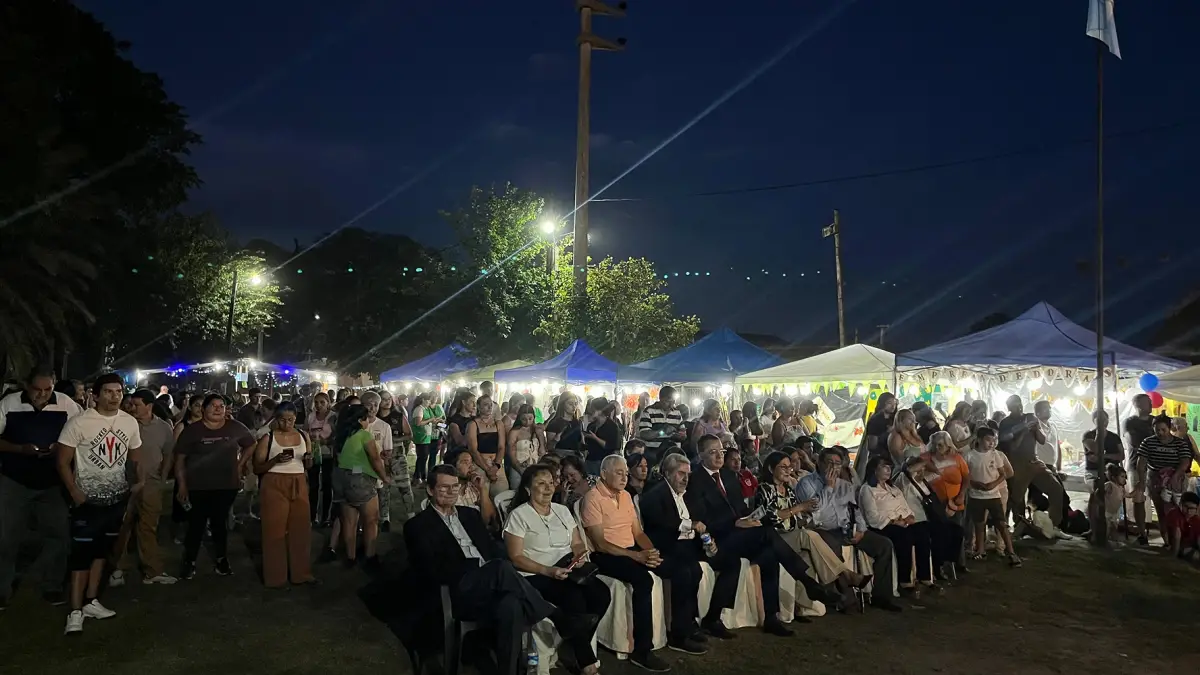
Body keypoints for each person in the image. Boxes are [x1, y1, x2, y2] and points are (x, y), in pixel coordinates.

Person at [407, 464, 592, 675]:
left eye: (455, 486)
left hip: (494, 583)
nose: (451, 492)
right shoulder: (417, 525)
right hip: (460, 589)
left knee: (511, 604)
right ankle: (557, 617)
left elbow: (492, 544)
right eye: (443, 487)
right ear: (430, 490)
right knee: (499, 567)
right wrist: (484, 569)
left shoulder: (469, 515)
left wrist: (483, 492)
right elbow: (429, 569)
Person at [687, 435, 837, 631]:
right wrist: (736, 522)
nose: (719, 456)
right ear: (701, 455)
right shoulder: (695, 480)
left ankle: (770, 617)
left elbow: (740, 508)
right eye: (713, 452)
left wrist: (749, 518)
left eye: (721, 451)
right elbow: (700, 517)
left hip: (738, 534)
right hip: (715, 538)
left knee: (769, 554)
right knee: (767, 535)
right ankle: (808, 583)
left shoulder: (729, 476)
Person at [581, 455, 705, 672]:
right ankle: (642, 649)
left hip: (631, 550)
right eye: (619, 473)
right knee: (643, 581)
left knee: (683, 569)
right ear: (603, 474)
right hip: (607, 555)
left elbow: (638, 532)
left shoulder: (627, 496)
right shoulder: (592, 499)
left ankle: (680, 632)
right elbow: (600, 544)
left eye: (625, 473)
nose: (624, 477)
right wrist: (637, 557)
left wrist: (650, 551)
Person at [55, 373, 143, 634]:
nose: (115, 397)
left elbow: (134, 456)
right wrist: (74, 490)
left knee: (101, 552)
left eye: (119, 392)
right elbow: (61, 461)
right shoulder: (79, 422)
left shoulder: (129, 422)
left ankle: (91, 600)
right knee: (81, 556)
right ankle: (74, 610)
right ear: (96, 394)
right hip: (87, 501)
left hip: (116, 500)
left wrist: (136, 481)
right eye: (108, 392)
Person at [504, 464, 609, 675]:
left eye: (551, 483)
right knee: (574, 597)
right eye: (541, 484)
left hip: (566, 568)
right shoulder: (519, 515)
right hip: (535, 573)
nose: (548, 488)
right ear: (527, 489)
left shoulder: (561, 511)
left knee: (601, 593)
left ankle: (577, 641)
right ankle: (587, 663)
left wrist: (579, 556)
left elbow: (578, 543)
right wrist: (548, 570)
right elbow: (516, 558)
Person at [0, 367, 83, 610]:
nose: (43, 395)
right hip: (14, 480)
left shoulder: (66, 404)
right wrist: (20, 449)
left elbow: (80, 433)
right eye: (38, 390)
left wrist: (61, 447)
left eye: (48, 390)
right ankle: (2, 589)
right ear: (27, 386)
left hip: (52, 482)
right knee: (6, 537)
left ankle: (52, 585)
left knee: (58, 535)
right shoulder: (9, 403)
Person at [754, 450, 870, 610]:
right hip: (773, 537)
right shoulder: (764, 489)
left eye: (789, 467)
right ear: (770, 469)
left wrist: (804, 518)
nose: (789, 470)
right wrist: (801, 507)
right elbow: (771, 518)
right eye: (783, 467)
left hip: (794, 533)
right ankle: (846, 575)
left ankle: (804, 607)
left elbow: (802, 515)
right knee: (812, 536)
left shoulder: (788, 489)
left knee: (807, 553)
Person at [794, 447, 901, 611]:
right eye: (829, 462)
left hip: (848, 528)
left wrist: (861, 530)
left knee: (884, 545)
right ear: (819, 463)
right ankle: (846, 598)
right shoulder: (806, 483)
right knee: (831, 545)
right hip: (822, 529)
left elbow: (855, 510)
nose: (834, 467)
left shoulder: (845, 485)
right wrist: (828, 488)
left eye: (837, 463)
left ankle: (882, 596)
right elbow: (816, 513)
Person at [175, 394, 256, 580]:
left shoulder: (234, 427)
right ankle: (190, 562)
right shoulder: (192, 431)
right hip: (198, 486)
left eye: (222, 405)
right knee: (196, 525)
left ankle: (221, 560)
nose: (218, 409)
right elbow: (179, 460)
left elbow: (250, 444)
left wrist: (239, 464)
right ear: (203, 409)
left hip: (226, 485)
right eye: (213, 405)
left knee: (220, 524)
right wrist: (182, 485)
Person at [110, 389, 178, 586]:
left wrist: (163, 477)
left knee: (148, 526)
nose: (132, 408)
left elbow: (168, 454)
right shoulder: (123, 423)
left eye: (136, 405)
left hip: (151, 484)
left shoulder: (164, 427)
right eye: (130, 404)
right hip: (125, 483)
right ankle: (117, 569)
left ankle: (152, 570)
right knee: (123, 527)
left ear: (149, 406)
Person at [252, 401, 316, 588]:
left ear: (296, 418)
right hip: (274, 483)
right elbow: (257, 468)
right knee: (274, 530)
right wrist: (275, 460)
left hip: (298, 482)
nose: (287, 423)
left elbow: (308, 465)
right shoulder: (268, 438)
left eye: (290, 419)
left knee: (301, 529)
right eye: (282, 420)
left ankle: (301, 573)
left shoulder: (304, 436)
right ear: (276, 419)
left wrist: (309, 460)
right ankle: (276, 577)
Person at [859, 457, 934, 595]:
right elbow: (872, 516)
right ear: (874, 470)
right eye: (884, 467)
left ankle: (924, 576)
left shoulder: (893, 488)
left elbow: (905, 507)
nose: (888, 470)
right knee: (904, 537)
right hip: (882, 526)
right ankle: (904, 580)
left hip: (902, 522)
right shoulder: (868, 490)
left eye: (889, 467)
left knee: (922, 531)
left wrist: (909, 517)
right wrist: (893, 521)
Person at [333, 404, 389, 570]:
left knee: (349, 521)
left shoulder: (341, 436)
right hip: (360, 480)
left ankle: (350, 557)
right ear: (360, 420)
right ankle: (370, 556)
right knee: (371, 520)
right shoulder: (364, 435)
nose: (368, 421)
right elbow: (375, 459)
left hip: (340, 478)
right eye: (366, 418)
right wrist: (384, 477)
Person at [997, 396, 1062, 527]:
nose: (1019, 407)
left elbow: (1042, 440)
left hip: (1034, 460)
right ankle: (1018, 526)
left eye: (1020, 404)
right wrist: (1024, 429)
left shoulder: (1031, 417)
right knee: (1017, 498)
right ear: (1009, 408)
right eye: (1015, 405)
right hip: (1016, 463)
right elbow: (1011, 446)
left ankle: (1052, 525)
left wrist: (1036, 429)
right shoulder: (1006, 423)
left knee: (1056, 489)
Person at [1132, 413, 1193, 546]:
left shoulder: (1180, 443)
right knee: (1160, 510)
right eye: (1157, 430)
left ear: (1169, 428)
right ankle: (1167, 540)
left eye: (1163, 430)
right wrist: (1141, 481)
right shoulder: (1148, 442)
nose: (1160, 433)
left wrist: (1176, 476)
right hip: (1155, 478)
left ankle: (1179, 540)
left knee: (1176, 510)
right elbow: (1141, 462)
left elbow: (1185, 461)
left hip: (1175, 480)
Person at [964, 426, 1020, 566]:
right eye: (988, 440)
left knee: (1001, 523)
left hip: (993, 495)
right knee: (979, 524)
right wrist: (974, 483)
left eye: (994, 440)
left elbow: (1003, 474)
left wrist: (993, 484)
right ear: (979, 440)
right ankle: (980, 550)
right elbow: (965, 475)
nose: (992, 443)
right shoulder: (969, 456)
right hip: (976, 495)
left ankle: (1011, 552)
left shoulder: (996, 455)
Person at [920, 431, 969, 578]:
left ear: (948, 445)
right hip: (934, 505)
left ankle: (958, 562)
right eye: (935, 444)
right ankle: (939, 565)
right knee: (940, 535)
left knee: (957, 531)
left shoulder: (957, 458)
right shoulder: (926, 458)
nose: (937, 447)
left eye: (940, 445)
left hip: (955, 502)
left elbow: (966, 477)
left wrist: (961, 495)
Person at [1123, 393, 1155, 543]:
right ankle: (1142, 534)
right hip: (1136, 465)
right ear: (1138, 405)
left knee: (1161, 498)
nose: (1151, 404)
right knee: (1139, 498)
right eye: (1147, 402)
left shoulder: (1155, 420)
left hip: (1156, 465)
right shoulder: (1130, 422)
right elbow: (1133, 441)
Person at [467, 394, 508, 494]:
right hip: (480, 464)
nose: (489, 407)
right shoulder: (473, 424)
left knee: (502, 493)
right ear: (479, 407)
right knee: (481, 495)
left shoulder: (499, 423)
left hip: (496, 463)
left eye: (491, 404)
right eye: (486, 404)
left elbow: (501, 447)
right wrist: (487, 469)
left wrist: (496, 466)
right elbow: (473, 450)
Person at [637, 386, 686, 466]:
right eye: (668, 401)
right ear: (661, 399)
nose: (671, 404)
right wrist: (662, 432)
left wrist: (680, 435)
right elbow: (644, 434)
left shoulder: (676, 412)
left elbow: (683, 432)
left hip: (671, 454)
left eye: (673, 401)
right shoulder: (649, 411)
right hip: (653, 454)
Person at [506, 404, 545, 487]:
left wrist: (540, 435)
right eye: (524, 419)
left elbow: (542, 451)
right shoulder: (515, 432)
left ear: (534, 417)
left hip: (535, 467)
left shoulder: (538, 431)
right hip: (518, 466)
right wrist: (518, 467)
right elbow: (511, 452)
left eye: (530, 419)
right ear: (519, 418)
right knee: (517, 494)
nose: (527, 422)